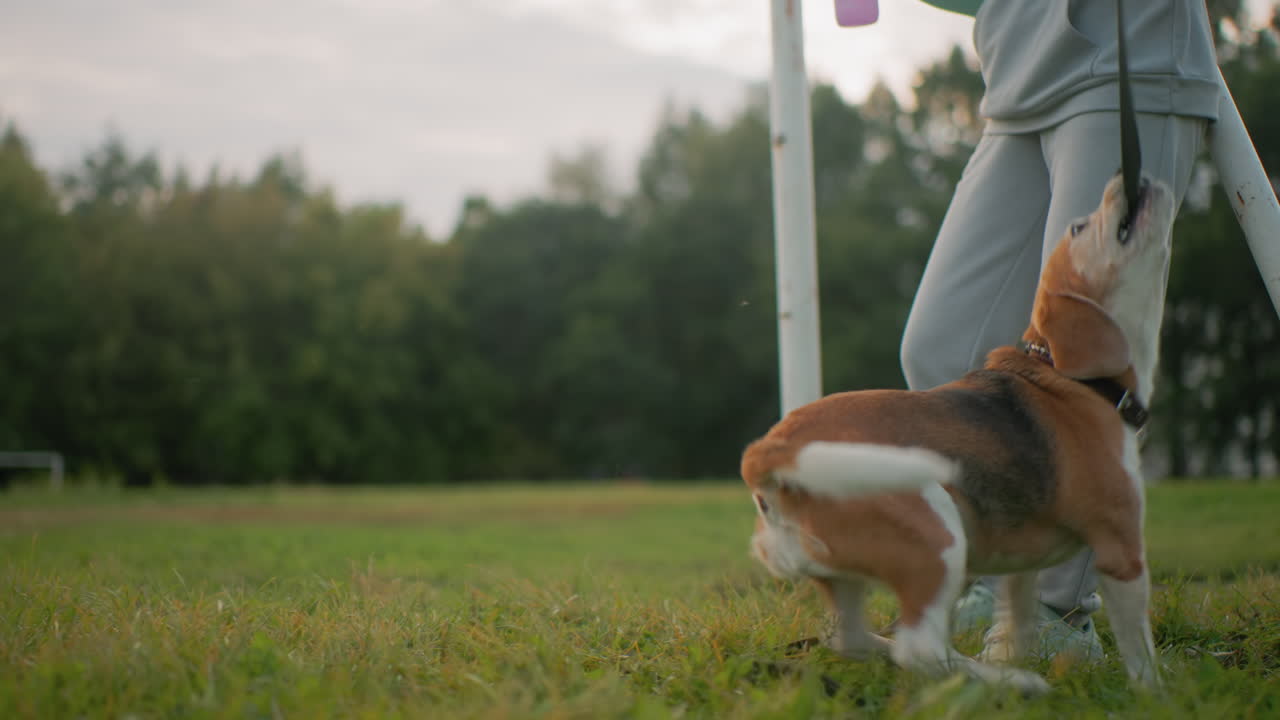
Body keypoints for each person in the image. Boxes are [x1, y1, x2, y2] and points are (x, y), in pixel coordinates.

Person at [903, 0, 1221, 658]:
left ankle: (1056, 611)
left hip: (1127, 53)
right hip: (1016, 74)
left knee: (1083, 363)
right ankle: (1000, 585)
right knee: (942, 346)